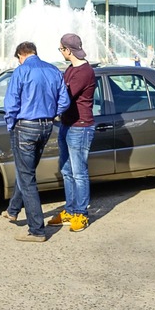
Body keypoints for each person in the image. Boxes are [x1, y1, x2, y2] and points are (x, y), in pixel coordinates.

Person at [2, 41, 70, 242]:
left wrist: (11, 125)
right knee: (26, 171)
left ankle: (37, 230)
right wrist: (52, 114)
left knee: (27, 176)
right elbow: (64, 101)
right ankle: (13, 210)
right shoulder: (53, 71)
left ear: (20, 55)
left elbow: (11, 103)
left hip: (25, 126)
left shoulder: (21, 71)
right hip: (46, 126)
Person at [48, 33, 97, 233]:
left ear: (68, 50)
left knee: (79, 173)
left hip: (81, 126)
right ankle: (69, 210)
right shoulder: (71, 69)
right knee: (67, 170)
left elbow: (64, 96)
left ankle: (81, 214)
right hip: (67, 125)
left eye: (61, 49)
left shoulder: (84, 72)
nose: (61, 52)